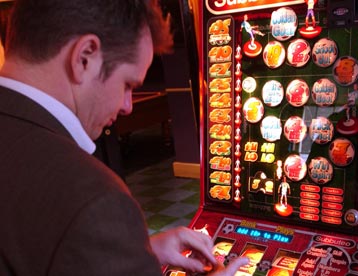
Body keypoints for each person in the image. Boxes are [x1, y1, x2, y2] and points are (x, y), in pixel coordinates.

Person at [0, 1, 248, 276]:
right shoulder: (95, 199)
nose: (127, 106)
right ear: (84, 57)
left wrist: (137, 250)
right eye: (128, 84)